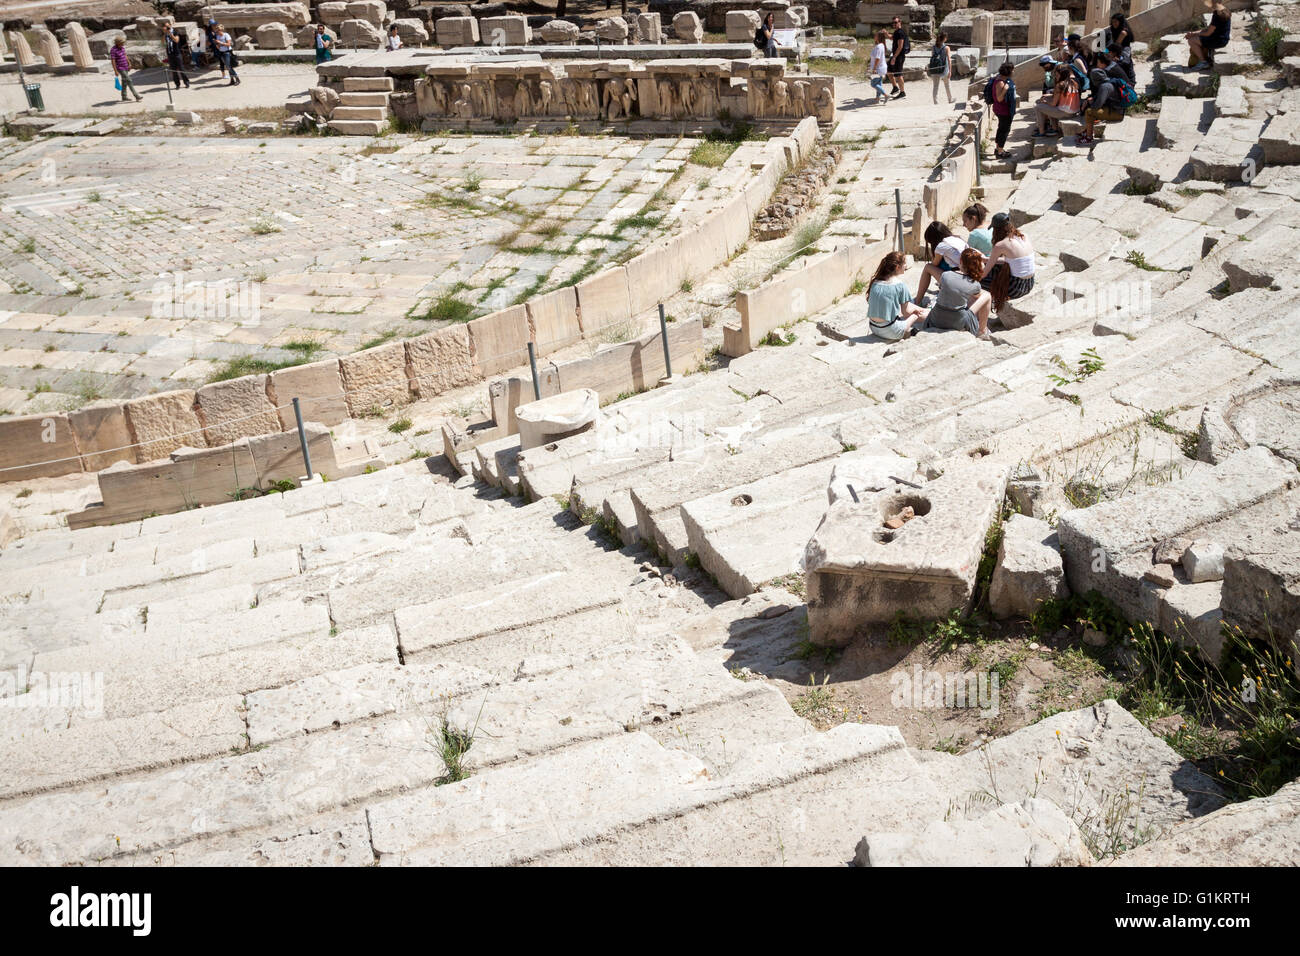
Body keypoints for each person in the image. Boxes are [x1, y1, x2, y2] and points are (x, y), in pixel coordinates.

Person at [925, 248, 992, 337]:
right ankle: (982, 330)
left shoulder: (946, 275)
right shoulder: (975, 285)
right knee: (987, 295)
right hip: (957, 322)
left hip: (936, 318)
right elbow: (977, 297)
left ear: (960, 260)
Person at [981, 213, 1035, 316]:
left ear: (996, 230)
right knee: (998, 267)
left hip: (1016, 289)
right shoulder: (1024, 236)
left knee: (976, 280)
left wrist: (966, 274)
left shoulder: (1000, 245)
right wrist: (986, 259)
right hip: (1030, 283)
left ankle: (979, 311)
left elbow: (983, 274)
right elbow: (1014, 260)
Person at [866, 251, 929, 340]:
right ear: (897, 267)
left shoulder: (875, 282)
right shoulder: (899, 285)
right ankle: (934, 316)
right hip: (891, 331)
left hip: (873, 328)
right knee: (916, 314)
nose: (906, 266)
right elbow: (906, 312)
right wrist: (917, 311)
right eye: (905, 264)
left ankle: (927, 313)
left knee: (914, 311)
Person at [915, 220, 968, 302]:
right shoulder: (957, 238)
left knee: (928, 267)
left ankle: (917, 301)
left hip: (957, 280)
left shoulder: (941, 246)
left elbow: (934, 264)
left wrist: (935, 255)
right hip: (967, 276)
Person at [1077, 66, 1124, 144]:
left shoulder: (1104, 87)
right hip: (1116, 109)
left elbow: (1097, 106)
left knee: (1089, 111)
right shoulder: (1109, 81)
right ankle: (1087, 131)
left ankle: (1088, 138)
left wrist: (1089, 103)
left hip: (1117, 113)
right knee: (1090, 106)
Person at [1033, 64, 1080, 138]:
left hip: (1065, 113)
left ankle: (1041, 132)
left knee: (1038, 107)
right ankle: (1054, 129)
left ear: (1062, 75)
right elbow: (1063, 97)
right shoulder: (1073, 83)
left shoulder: (1060, 85)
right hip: (1074, 112)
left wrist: (1045, 102)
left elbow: (1053, 104)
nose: (1056, 77)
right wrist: (1048, 96)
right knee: (1047, 105)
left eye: (1057, 75)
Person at [1187, 0, 1231, 69]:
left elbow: (1208, 33)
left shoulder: (1217, 15)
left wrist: (1194, 35)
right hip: (1223, 38)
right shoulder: (1225, 10)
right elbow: (1210, 29)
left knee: (1191, 40)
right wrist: (1194, 33)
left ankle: (1204, 62)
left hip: (1218, 41)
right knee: (1195, 37)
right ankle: (1206, 58)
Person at [990, 62, 1016, 158]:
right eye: (1012, 69)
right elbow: (999, 98)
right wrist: (1005, 89)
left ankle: (998, 149)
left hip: (1002, 110)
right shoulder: (1001, 82)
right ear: (1008, 71)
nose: (1014, 71)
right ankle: (1000, 152)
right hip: (1003, 111)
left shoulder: (1001, 79)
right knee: (1005, 130)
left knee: (1001, 129)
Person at [109, 36, 143, 103]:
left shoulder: (122, 48)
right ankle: (136, 96)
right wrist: (115, 70)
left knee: (124, 82)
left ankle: (124, 96)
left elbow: (125, 55)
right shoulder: (113, 50)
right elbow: (113, 61)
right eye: (122, 43)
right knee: (129, 80)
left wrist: (129, 63)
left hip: (125, 66)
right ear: (117, 43)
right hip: (120, 68)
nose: (123, 44)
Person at [164, 24, 191, 90]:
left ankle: (186, 82)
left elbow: (176, 40)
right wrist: (164, 34)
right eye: (165, 26)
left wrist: (170, 34)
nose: (167, 28)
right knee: (173, 71)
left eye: (167, 26)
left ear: (170, 26)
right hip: (170, 54)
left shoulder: (175, 32)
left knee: (181, 69)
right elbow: (163, 43)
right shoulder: (165, 35)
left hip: (177, 53)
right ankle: (177, 84)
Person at [928, 31, 952, 105]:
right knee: (947, 85)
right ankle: (950, 99)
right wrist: (950, 71)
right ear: (944, 39)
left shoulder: (933, 47)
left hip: (935, 69)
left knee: (935, 86)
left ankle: (936, 102)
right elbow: (949, 60)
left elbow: (932, 57)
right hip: (944, 69)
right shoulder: (946, 48)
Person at [888, 15, 909, 98]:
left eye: (896, 22)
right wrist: (886, 34)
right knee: (888, 70)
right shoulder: (896, 32)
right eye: (893, 23)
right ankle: (895, 87)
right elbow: (892, 38)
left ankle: (902, 92)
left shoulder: (900, 32)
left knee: (898, 74)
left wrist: (894, 57)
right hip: (895, 56)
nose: (894, 24)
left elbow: (900, 46)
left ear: (900, 22)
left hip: (898, 57)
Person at [868, 30, 890, 104]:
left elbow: (877, 58)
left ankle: (886, 95)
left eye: (876, 35)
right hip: (881, 67)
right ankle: (877, 98)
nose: (874, 36)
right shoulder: (882, 45)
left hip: (879, 68)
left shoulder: (878, 47)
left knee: (873, 84)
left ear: (879, 37)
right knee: (879, 83)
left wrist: (874, 68)